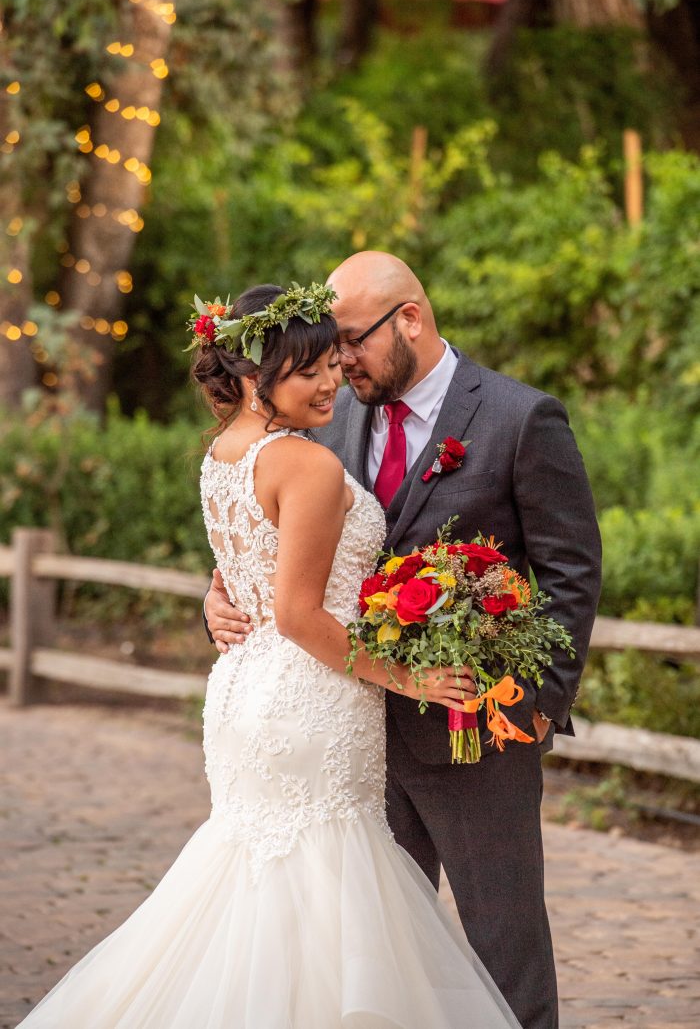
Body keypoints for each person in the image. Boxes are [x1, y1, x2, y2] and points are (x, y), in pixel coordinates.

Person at [16, 282, 522, 1029]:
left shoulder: (223, 452)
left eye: (331, 364)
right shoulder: (306, 465)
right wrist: (410, 676)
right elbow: (295, 613)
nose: (330, 382)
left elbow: (247, 571)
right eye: (308, 369)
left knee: (257, 890)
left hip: (245, 693)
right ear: (257, 376)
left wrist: (219, 598)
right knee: (325, 892)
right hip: (309, 699)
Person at [205, 253, 603, 1029]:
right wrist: (218, 594)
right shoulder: (330, 411)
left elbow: (571, 573)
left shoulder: (521, 419)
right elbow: (275, 540)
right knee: (365, 960)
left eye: (349, 339)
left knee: (503, 944)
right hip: (347, 730)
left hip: (472, 731)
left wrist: (535, 705)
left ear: (409, 320)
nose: (337, 361)